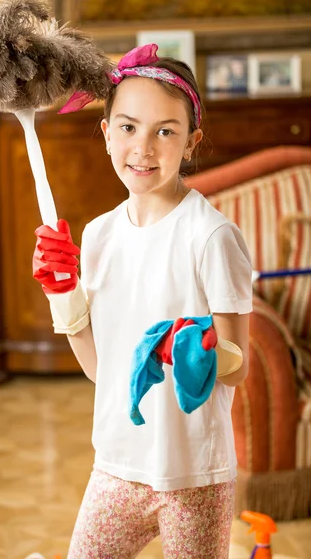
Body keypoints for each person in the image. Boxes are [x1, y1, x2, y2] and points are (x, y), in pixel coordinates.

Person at [32, 44, 252, 558]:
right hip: (116, 465)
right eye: (128, 127)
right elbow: (100, 369)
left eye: (165, 131)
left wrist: (194, 350)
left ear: (191, 142)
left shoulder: (211, 237)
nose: (144, 148)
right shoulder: (99, 235)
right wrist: (63, 292)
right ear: (106, 133)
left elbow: (237, 368)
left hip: (193, 474)